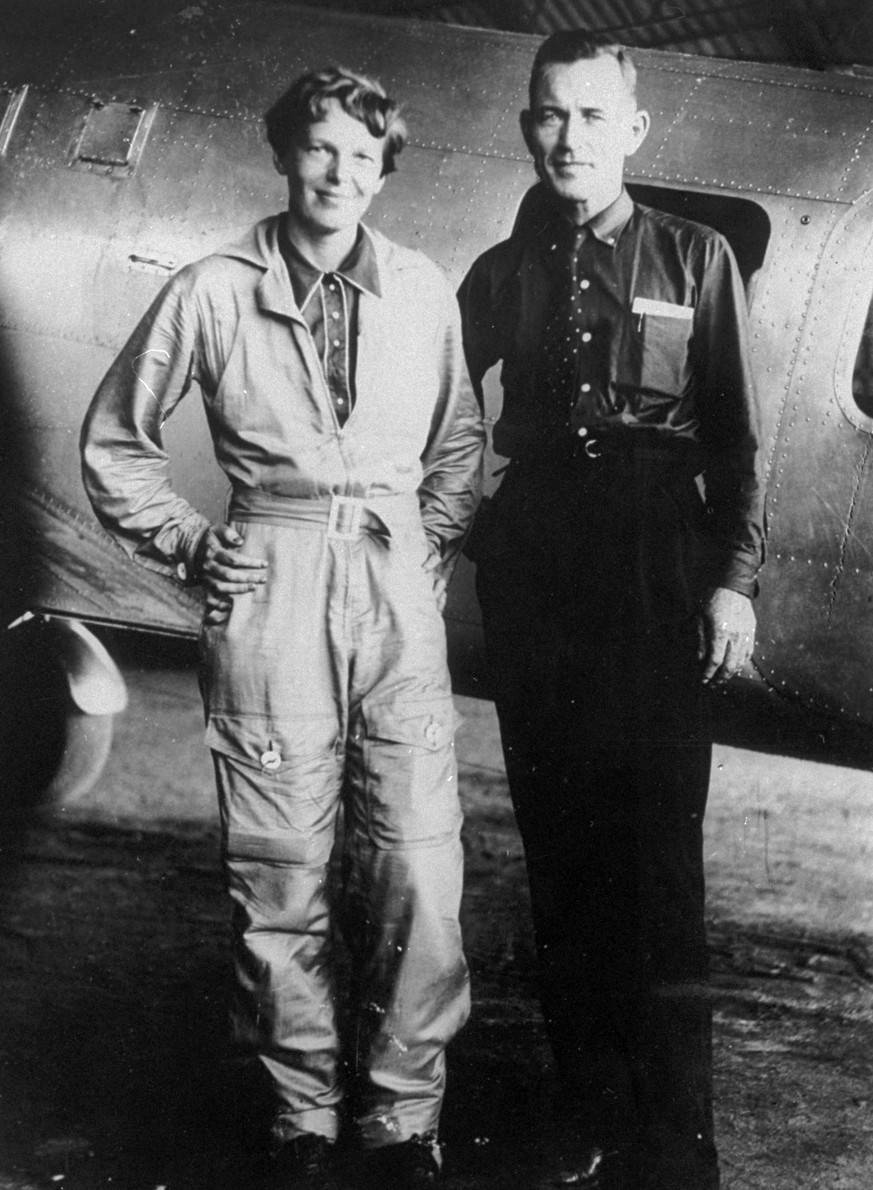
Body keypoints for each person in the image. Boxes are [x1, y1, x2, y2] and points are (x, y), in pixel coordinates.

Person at [81, 66, 484, 1190]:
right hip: (270, 581)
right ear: (283, 154)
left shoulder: (422, 289)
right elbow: (116, 443)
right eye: (319, 149)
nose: (339, 175)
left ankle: (402, 1120)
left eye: (363, 156)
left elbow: (460, 450)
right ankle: (300, 1116)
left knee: (418, 867)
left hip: (393, 591)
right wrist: (197, 543)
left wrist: (421, 550)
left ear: (385, 167)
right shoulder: (214, 289)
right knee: (279, 867)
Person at [458, 32, 764, 1190]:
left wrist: (733, 578)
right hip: (538, 560)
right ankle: (584, 1118)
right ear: (527, 124)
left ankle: (677, 1143)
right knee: (561, 848)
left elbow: (735, 437)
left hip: (653, 562)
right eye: (549, 115)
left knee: (656, 858)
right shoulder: (498, 273)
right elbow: (439, 406)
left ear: (635, 130)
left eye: (593, 116)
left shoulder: (697, 259)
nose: (569, 137)